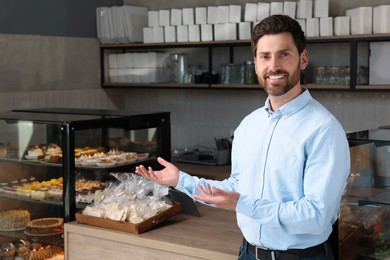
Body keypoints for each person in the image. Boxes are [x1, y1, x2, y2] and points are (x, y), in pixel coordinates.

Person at [135, 14, 350, 260]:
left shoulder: (324, 129)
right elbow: (236, 188)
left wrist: (242, 204)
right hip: (247, 253)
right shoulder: (249, 125)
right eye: (265, 56)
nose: (274, 66)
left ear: (303, 59)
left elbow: (315, 216)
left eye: (284, 54)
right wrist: (181, 180)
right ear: (256, 63)